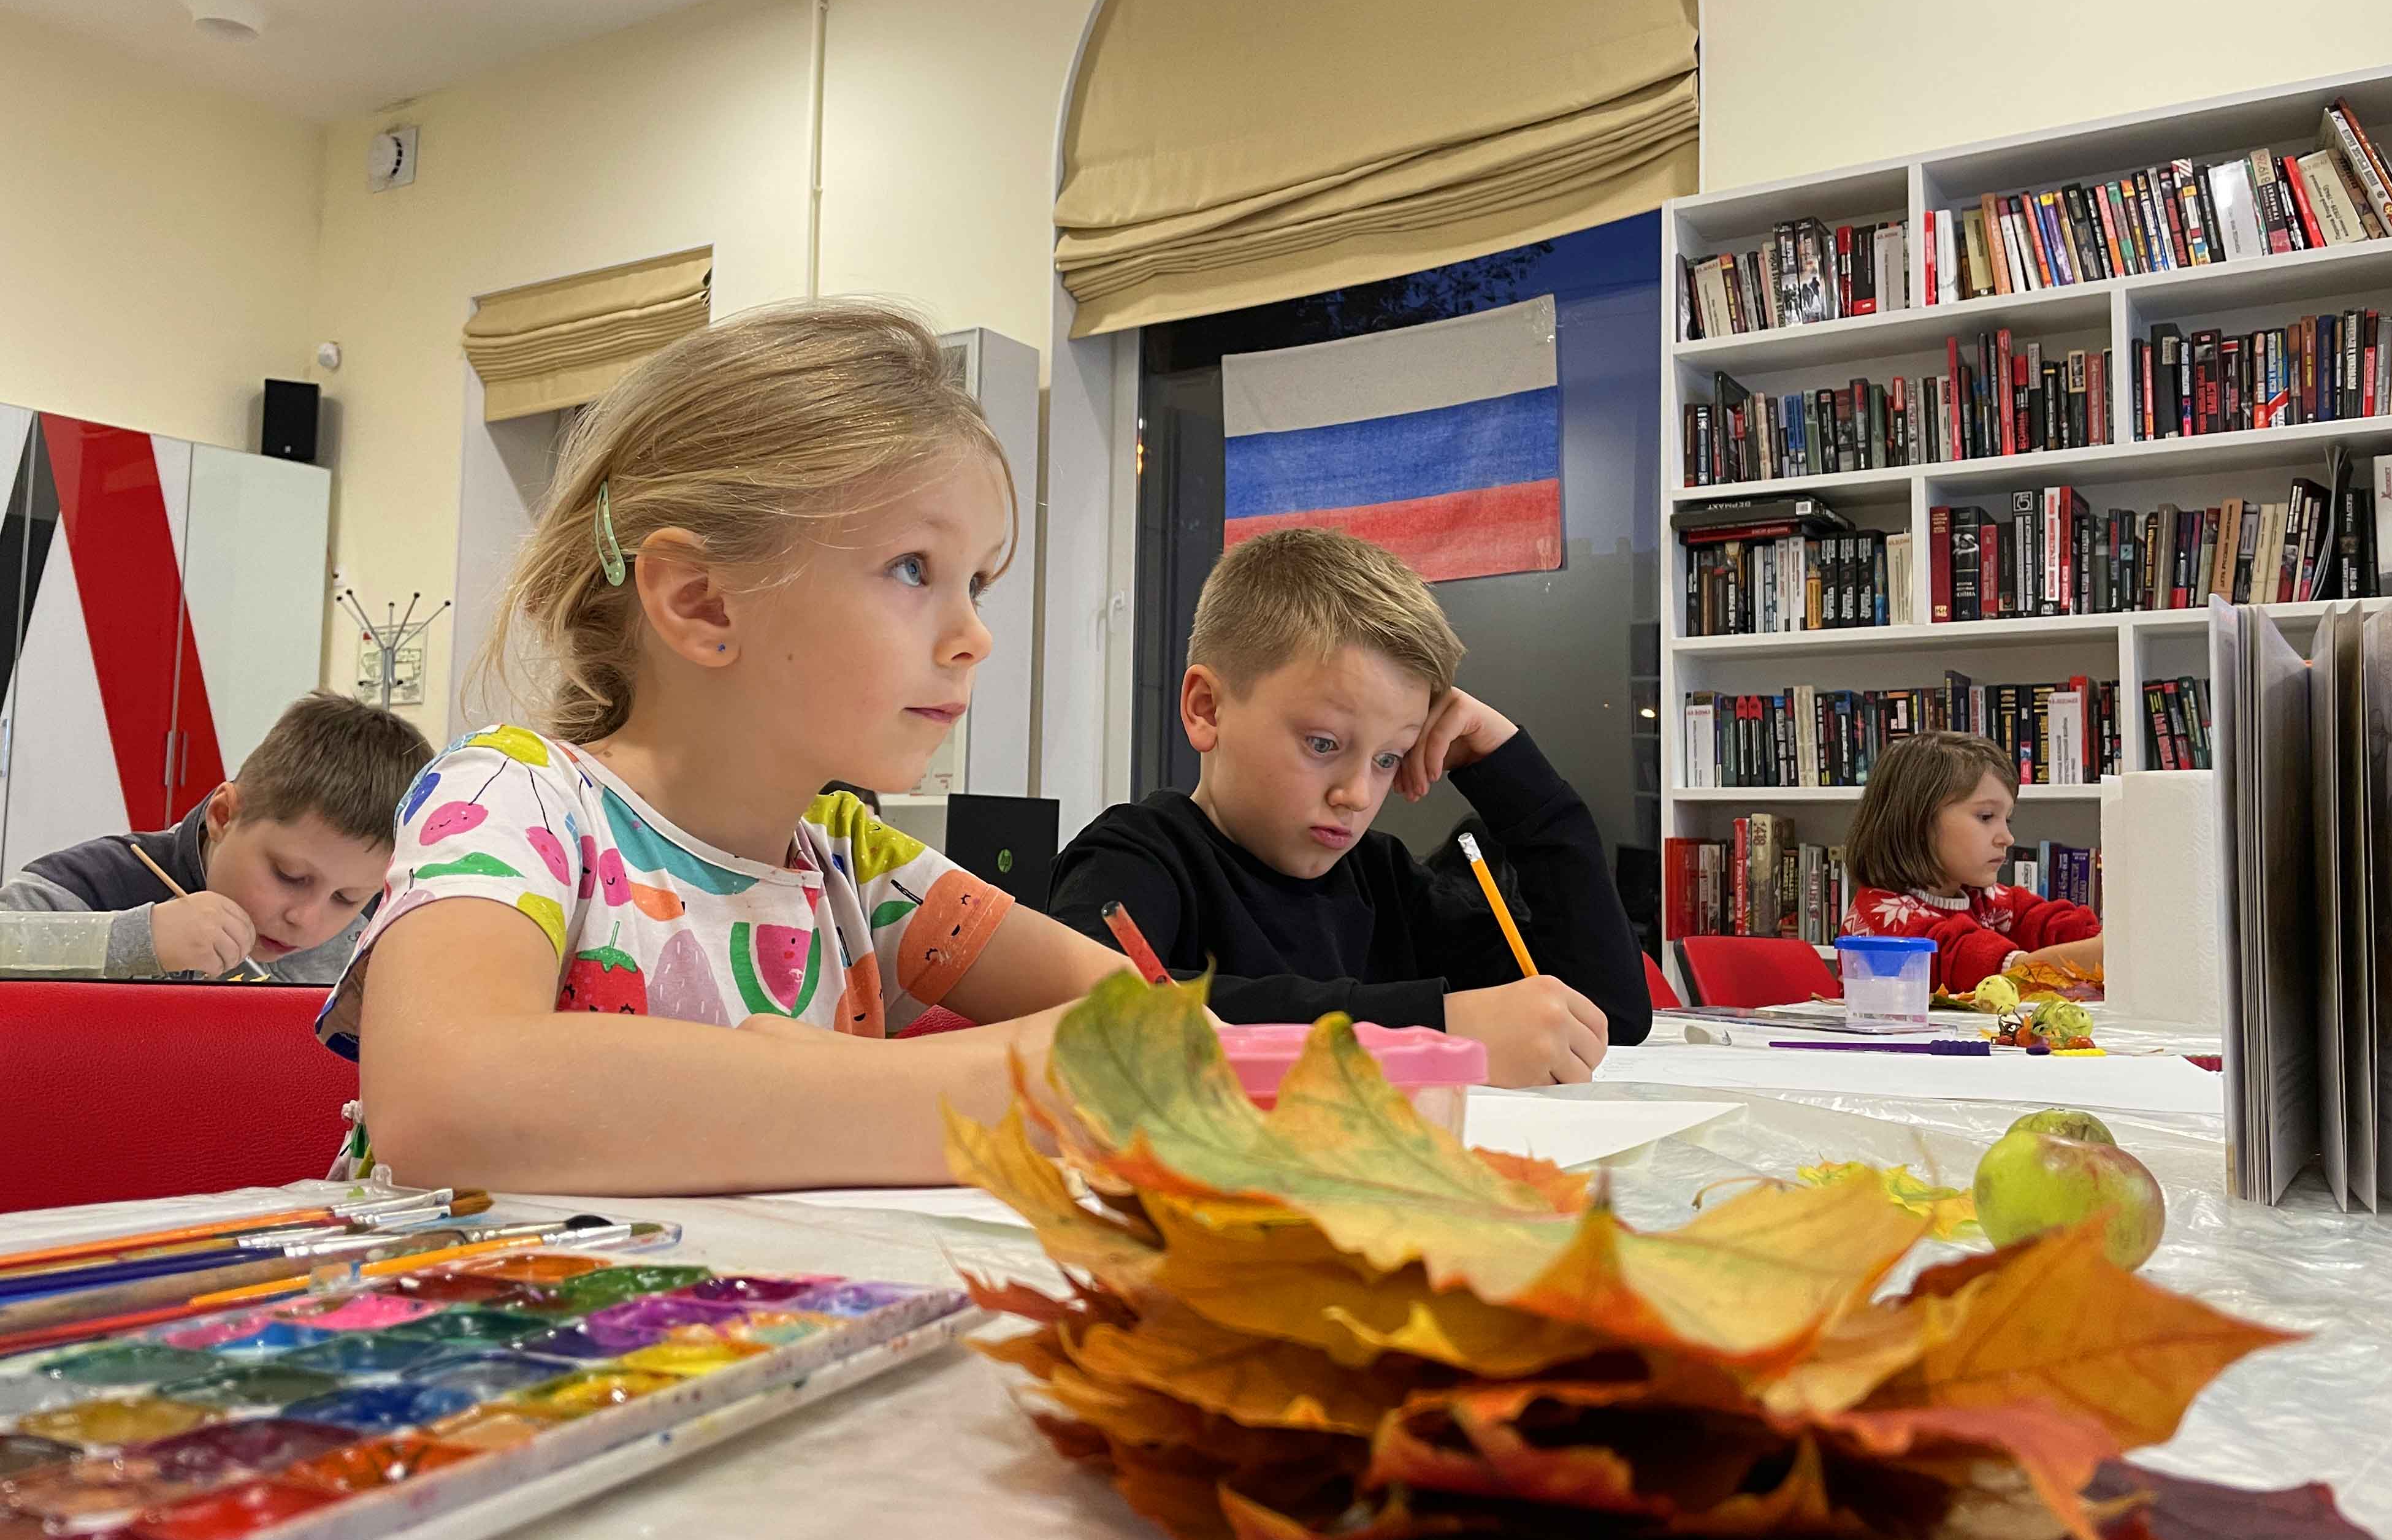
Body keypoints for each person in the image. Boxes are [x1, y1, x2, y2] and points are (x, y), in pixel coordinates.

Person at [317, 301, 1131, 1194]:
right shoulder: (515, 799)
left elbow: (1153, 1035)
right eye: (913, 568)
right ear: (702, 602)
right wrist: (983, 1094)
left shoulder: (860, 869)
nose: (976, 635)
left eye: (977, 582)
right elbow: (444, 1104)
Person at [1049, 527, 1651, 1085]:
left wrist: (1510, 772)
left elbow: (1605, 1017)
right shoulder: (1137, 855)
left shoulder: (1386, 882)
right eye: (1323, 744)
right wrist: (1430, 1029)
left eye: (1389, 758)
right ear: (1207, 708)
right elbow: (1088, 1018)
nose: (1359, 796)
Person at [0, 691, 430, 982]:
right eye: (289, 875)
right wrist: (138, 940)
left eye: (346, 899)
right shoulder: (104, 880)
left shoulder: (383, 927)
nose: (306, 918)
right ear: (224, 815)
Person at [1840, 730, 2103, 993]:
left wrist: (2097, 938)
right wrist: (2104, 953)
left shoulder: (1983, 897)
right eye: (1986, 817)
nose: (2008, 838)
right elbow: (1977, 965)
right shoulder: (1881, 918)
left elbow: (2046, 922)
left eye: (2007, 820)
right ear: (1917, 820)